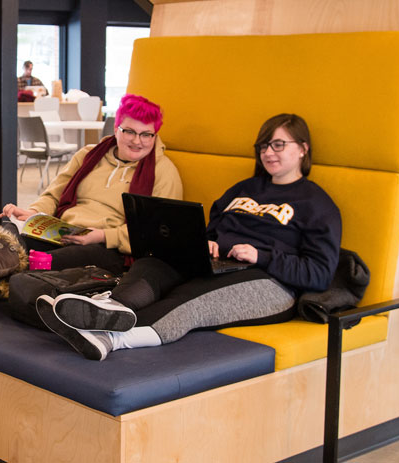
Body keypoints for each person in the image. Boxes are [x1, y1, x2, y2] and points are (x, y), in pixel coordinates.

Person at [37, 113, 342, 360]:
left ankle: (109, 339)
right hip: (219, 263)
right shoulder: (243, 189)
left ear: (302, 148)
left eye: (278, 145)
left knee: (190, 301)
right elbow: (212, 229)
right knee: (154, 264)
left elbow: (318, 274)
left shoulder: (317, 204)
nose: (268, 152)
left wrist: (261, 255)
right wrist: (204, 242)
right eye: (263, 146)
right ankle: (109, 308)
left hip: (269, 282)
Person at [0, 93, 184, 308]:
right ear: (116, 128)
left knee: (32, 259)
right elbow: (55, 193)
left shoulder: (163, 171)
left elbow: (158, 233)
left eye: (146, 134)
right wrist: (32, 211)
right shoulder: (90, 154)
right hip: (63, 231)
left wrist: (102, 235)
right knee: (10, 233)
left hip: (111, 248)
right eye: (129, 131)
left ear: (155, 135)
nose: (137, 141)